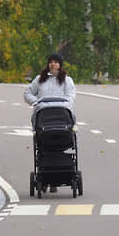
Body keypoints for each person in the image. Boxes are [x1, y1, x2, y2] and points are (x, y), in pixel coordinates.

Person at [23, 52, 76, 193]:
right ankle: (45, 179)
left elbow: (71, 97)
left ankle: (55, 180)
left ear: (60, 65)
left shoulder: (67, 81)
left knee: (61, 140)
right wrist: (36, 103)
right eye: (51, 62)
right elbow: (27, 93)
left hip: (61, 116)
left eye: (56, 62)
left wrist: (65, 106)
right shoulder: (40, 79)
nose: (53, 64)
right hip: (44, 117)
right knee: (42, 147)